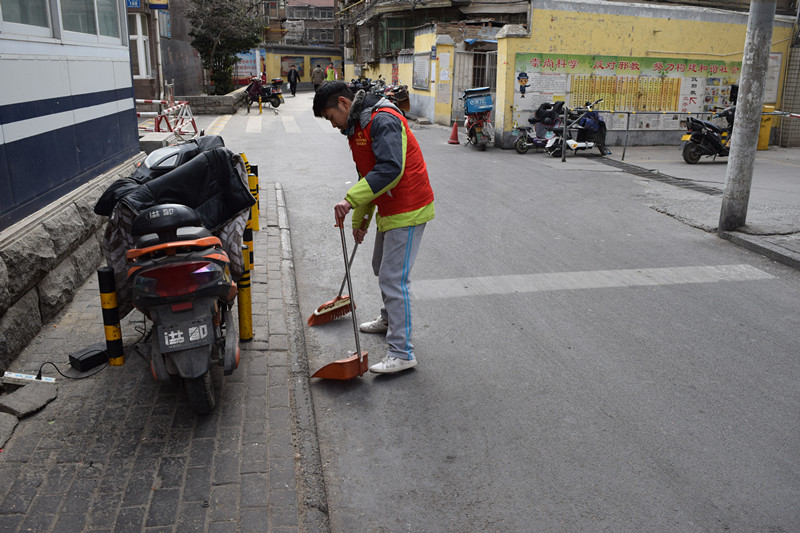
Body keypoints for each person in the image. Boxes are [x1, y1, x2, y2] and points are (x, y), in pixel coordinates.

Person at [313, 81, 434, 374]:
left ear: (343, 103)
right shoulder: (357, 127)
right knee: (382, 268)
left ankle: (402, 352)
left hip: (409, 207)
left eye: (330, 117)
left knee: (393, 279)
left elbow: (391, 169)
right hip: (391, 207)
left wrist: (350, 200)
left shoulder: (383, 119)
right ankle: (389, 319)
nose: (332, 125)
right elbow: (368, 174)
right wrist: (361, 219)